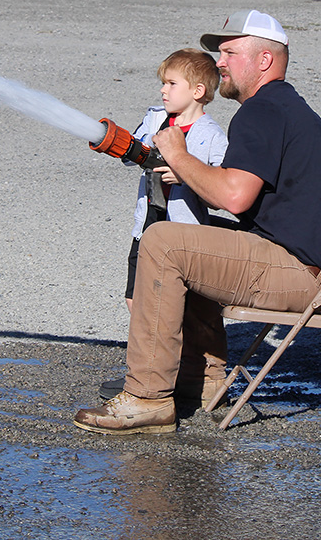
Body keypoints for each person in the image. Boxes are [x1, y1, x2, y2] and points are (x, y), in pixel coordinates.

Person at [73, 10, 321, 435]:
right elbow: (239, 201)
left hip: (302, 274)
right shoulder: (280, 107)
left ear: (264, 61)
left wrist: (180, 156)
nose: (219, 61)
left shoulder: (262, 111)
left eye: (229, 52)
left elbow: (233, 196)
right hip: (313, 269)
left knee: (163, 241)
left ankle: (146, 398)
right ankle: (203, 381)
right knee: (192, 237)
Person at [97, 48, 228, 400]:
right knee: (135, 300)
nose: (163, 90)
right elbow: (134, 154)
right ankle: (151, 371)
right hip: (148, 227)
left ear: (198, 91)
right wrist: (113, 142)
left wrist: (186, 174)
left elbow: (222, 183)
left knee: (181, 305)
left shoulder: (211, 135)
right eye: (163, 83)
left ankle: (183, 374)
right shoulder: (155, 119)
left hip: (184, 233)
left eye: (171, 83)